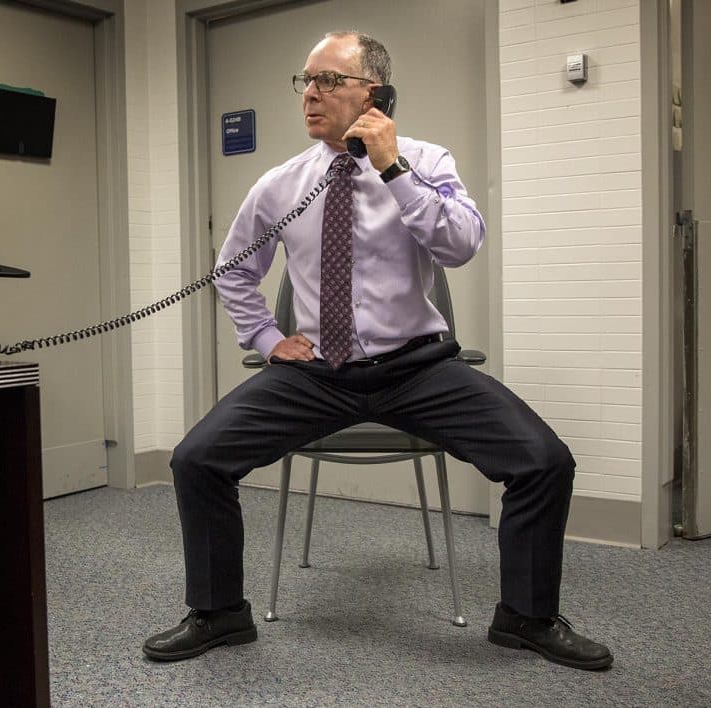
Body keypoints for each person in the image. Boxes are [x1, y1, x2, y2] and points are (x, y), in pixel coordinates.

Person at [143, 30, 612, 671]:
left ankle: (526, 619)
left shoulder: (426, 160)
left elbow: (461, 244)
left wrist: (392, 168)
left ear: (375, 92)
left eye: (329, 81)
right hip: (317, 374)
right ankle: (219, 612)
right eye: (305, 81)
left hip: (418, 369)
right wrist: (266, 338)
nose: (311, 94)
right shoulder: (283, 183)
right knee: (196, 459)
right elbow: (232, 269)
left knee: (544, 461)